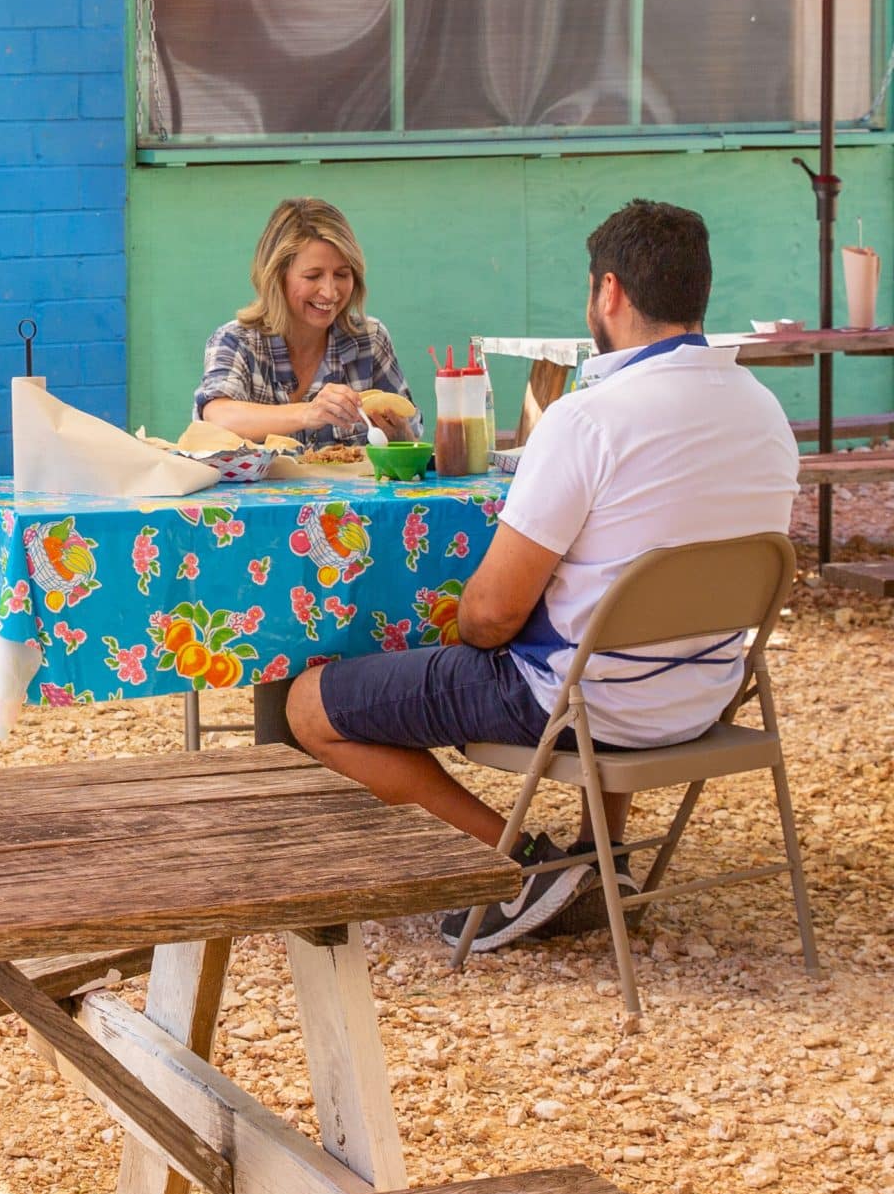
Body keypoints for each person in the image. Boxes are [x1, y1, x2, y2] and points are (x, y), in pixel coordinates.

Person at [286, 199, 798, 952]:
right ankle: (603, 861)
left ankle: (526, 864)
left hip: (591, 705)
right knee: (591, 627)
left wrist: (461, 621)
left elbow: (488, 619)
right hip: (706, 695)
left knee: (309, 704)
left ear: (611, 293)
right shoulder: (766, 411)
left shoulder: (587, 419)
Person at [196, 197, 415, 451]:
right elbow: (218, 416)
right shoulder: (236, 341)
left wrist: (401, 435)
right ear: (277, 277)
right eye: (313, 276)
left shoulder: (370, 340)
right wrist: (308, 413)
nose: (330, 292)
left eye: (342, 275)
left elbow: (411, 437)